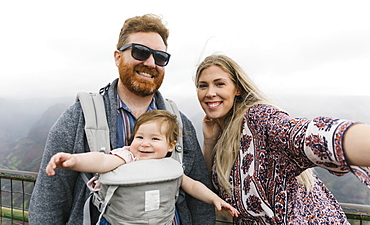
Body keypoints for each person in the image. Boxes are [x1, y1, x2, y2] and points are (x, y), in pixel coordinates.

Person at [29, 14, 215, 225]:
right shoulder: (79, 118)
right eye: (140, 52)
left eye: (160, 57)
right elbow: (49, 201)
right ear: (118, 57)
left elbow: (199, 202)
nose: (151, 63)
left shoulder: (179, 122)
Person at [194, 54, 370, 224]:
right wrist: (209, 140)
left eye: (219, 84)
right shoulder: (223, 138)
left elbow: (308, 135)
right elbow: (211, 192)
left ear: (237, 89)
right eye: (203, 86)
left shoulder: (258, 118)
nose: (210, 93)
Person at [46, 110, 239, 224]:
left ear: (171, 145)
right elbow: (102, 161)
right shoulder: (128, 156)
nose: (145, 144)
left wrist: (214, 199)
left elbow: (193, 186)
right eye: (139, 137)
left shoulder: (170, 166)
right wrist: (74, 160)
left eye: (155, 139)